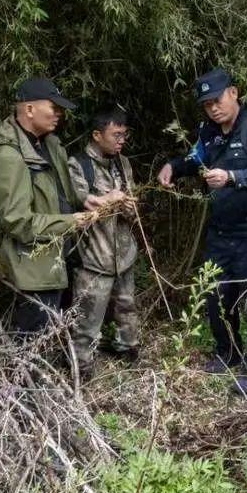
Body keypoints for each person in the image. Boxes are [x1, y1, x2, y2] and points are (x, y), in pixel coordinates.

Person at [157, 68, 247, 396]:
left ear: (234, 93)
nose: (213, 108)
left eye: (217, 100)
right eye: (206, 104)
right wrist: (174, 166)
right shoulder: (209, 133)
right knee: (215, 295)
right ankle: (228, 352)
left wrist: (231, 177)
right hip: (222, 232)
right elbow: (194, 158)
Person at [0, 77, 98, 338]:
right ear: (29, 109)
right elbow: (17, 222)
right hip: (33, 270)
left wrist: (88, 201)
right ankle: (23, 380)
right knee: (29, 342)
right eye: (54, 107)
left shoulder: (50, 144)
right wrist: (73, 222)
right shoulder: (9, 157)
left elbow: (63, 193)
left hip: (60, 256)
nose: (59, 114)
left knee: (53, 334)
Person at [67, 105, 141, 372]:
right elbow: (77, 208)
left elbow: (133, 208)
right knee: (88, 316)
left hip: (124, 253)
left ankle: (127, 347)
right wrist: (109, 202)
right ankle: (81, 366)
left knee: (126, 306)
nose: (121, 141)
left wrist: (131, 210)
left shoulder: (123, 163)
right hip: (93, 257)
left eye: (125, 135)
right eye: (116, 135)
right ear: (97, 135)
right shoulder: (77, 165)